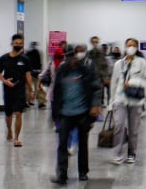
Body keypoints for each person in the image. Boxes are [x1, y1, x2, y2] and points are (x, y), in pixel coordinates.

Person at [50, 44, 102, 185]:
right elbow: (56, 92)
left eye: (74, 57)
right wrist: (55, 114)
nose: (72, 60)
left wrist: (95, 105)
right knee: (62, 145)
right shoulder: (61, 71)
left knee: (82, 144)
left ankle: (83, 172)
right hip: (65, 114)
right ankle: (62, 175)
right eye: (68, 57)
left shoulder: (86, 71)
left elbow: (96, 88)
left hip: (82, 113)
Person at [109, 38, 146, 164]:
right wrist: (111, 101)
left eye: (133, 45)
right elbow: (113, 83)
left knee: (133, 129)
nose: (131, 47)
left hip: (135, 101)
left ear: (137, 48)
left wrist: (133, 82)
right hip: (119, 99)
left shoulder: (142, 63)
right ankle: (117, 153)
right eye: (128, 45)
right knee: (119, 126)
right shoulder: (119, 64)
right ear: (125, 47)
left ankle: (131, 153)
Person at [0, 34, 34, 147]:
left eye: (20, 44)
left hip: (20, 90)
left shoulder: (25, 59)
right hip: (8, 90)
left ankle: (16, 138)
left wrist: (31, 90)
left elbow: (28, 75)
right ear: (12, 43)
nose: (18, 45)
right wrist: (4, 81)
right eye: (16, 43)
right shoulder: (4, 58)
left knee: (18, 113)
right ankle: (9, 131)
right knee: (8, 114)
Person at [88, 36, 110, 106]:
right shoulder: (89, 53)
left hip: (100, 75)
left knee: (101, 89)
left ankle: (101, 102)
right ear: (91, 43)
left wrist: (106, 76)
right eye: (94, 42)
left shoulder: (101, 53)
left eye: (96, 42)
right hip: (91, 75)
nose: (95, 43)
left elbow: (104, 65)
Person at [25, 41, 47, 110]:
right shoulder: (28, 53)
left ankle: (40, 103)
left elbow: (40, 63)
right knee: (29, 88)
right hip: (30, 73)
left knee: (37, 88)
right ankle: (27, 102)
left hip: (35, 73)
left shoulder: (36, 53)